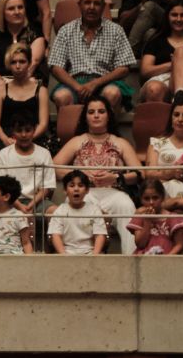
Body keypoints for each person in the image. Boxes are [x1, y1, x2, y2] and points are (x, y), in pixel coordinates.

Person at [52, 95, 139, 252]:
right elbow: (53, 168)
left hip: (114, 193)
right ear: (85, 117)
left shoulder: (120, 143)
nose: (96, 115)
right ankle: (72, 255)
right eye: (91, 112)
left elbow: (140, 174)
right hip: (85, 193)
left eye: (101, 111)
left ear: (109, 116)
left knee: (126, 205)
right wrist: (82, 175)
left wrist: (116, 177)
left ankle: (130, 257)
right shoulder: (77, 141)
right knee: (71, 204)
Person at [48, 0, 136, 115]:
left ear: (103, 6)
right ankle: (69, 135)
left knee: (112, 93)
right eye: (87, 2)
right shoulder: (66, 31)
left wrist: (95, 83)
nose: (91, 7)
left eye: (96, 3)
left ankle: (107, 134)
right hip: (74, 83)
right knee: (62, 96)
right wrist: (78, 87)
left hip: (105, 82)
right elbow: (56, 67)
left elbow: (124, 68)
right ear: (80, 5)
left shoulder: (116, 30)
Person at [48, 168, 108, 254]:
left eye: (80, 185)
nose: (76, 189)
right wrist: (64, 255)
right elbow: (56, 235)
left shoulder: (94, 210)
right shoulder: (60, 211)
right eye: (72, 186)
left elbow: (100, 235)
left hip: (89, 252)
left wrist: (95, 256)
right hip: (66, 252)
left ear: (87, 190)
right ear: (65, 191)